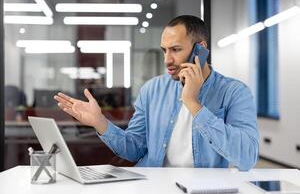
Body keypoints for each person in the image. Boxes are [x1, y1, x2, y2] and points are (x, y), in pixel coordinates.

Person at [54, 15, 259, 171]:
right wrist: (100, 123)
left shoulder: (234, 92)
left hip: (204, 188)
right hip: (153, 185)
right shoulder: (153, 89)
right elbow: (134, 148)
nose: (167, 60)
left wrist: (193, 103)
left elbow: (247, 158)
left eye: (176, 50)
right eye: (164, 50)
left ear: (200, 49)